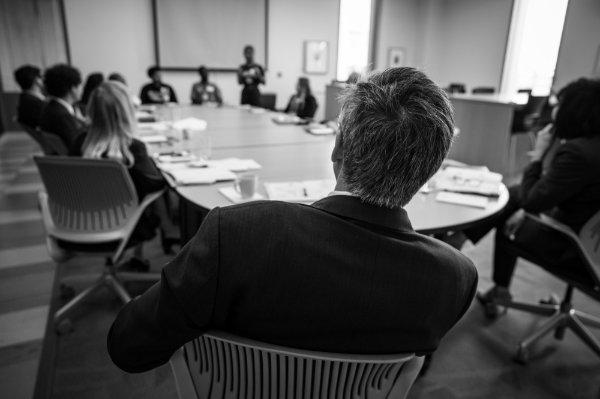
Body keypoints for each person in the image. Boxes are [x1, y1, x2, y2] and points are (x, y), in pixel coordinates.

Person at [107, 67, 478, 373]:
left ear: (338, 148)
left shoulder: (238, 235)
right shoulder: (455, 278)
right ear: (429, 170)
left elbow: (129, 347)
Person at [454, 78, 600, 317]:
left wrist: (539, 154)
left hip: (574, 246)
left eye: (559, 104)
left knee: (508, 219)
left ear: (575, 110)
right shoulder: (592, 147)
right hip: (589, 235)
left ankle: (468, 247)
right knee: (513, 195)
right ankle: (463, 240)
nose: (554, 111)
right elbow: (546, 193)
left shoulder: (579, 154)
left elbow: (533, 200)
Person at [69, 81, 178, 270]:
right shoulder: (132, 148)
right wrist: (151, 160)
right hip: (124, 225)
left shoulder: (79, 143)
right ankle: (171, 237)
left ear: (92, 110)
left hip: (77, 224)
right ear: (127, 111)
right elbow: (156, 184)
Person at [39, 63, 86, 148]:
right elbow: (79, 146)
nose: (82, 88)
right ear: (72, 88)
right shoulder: (62, 116)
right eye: (80, 85)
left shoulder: (50, 108)